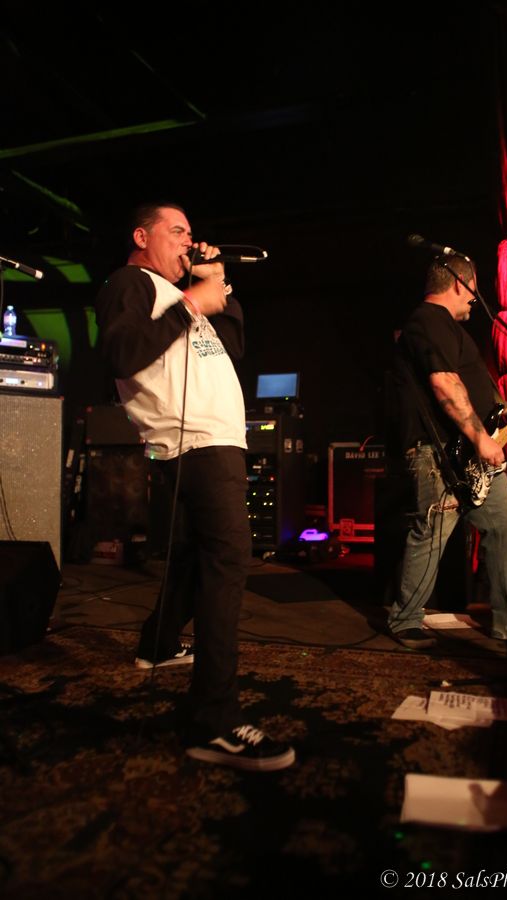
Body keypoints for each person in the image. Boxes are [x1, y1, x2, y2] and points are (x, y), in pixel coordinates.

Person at [95, 202, 295, 771]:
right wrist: (190, 302)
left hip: (212, 440)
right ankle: (214, 722)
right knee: (228, 558)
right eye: (176, 231)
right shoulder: (131, 283)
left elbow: (232, 346)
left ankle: (158, 645)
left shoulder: (181, 296)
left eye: (190, 233)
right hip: (194, 440)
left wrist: (215, 286)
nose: (188, 240)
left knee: (191, 555)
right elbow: (121, 353)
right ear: (142, 235)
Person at [385, 254, 507, 648]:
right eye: (474, 291)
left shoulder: (448, 328)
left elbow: (470, 393)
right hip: (441, 451)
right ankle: (405, 619)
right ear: (460, 284)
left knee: (504, 524)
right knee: (433, 530)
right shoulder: (428, 320)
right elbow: (444, 384)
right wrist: (481, 438)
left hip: (471, 451)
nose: (475, 301)